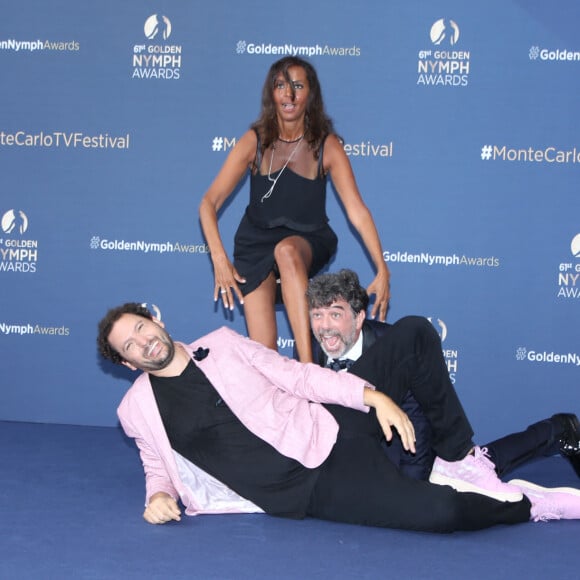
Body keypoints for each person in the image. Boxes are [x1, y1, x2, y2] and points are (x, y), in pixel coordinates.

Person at [97, 302, 580, 531]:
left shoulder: (220, 345)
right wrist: (158, 495)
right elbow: (156, 464)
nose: (144, 341)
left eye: (142, 327)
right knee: (442, 512)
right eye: (130, 345)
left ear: (156, 319)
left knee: (412, 332)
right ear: (126, 362)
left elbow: (298, 376)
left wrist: (371, 396)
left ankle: (459, 455)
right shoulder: (136, 408)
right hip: (312, 490)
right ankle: (530, 503)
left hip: (328, 427)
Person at [305, 269, 580, 486]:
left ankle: (558, 429)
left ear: (359, 317)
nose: (324, 326)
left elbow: (418, 417)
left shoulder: (393, 346)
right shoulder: (309, 349)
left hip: (412, 452)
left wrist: (413, 481)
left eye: (335, 314)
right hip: (357, 456)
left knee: (481, 467)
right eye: (317, 315)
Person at [199, 56, 390, 364]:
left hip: (307, 239)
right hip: (255, 245)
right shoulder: (254, 141)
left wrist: (382, 269)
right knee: (264, 359)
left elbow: (357, 211)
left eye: (297, 86)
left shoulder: (326, 146)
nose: (288, 95)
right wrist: (219, 259)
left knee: (287, 251)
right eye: (280, 86)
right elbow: (208, 203)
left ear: (309, 95)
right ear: (271, 94)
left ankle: (307, 365)